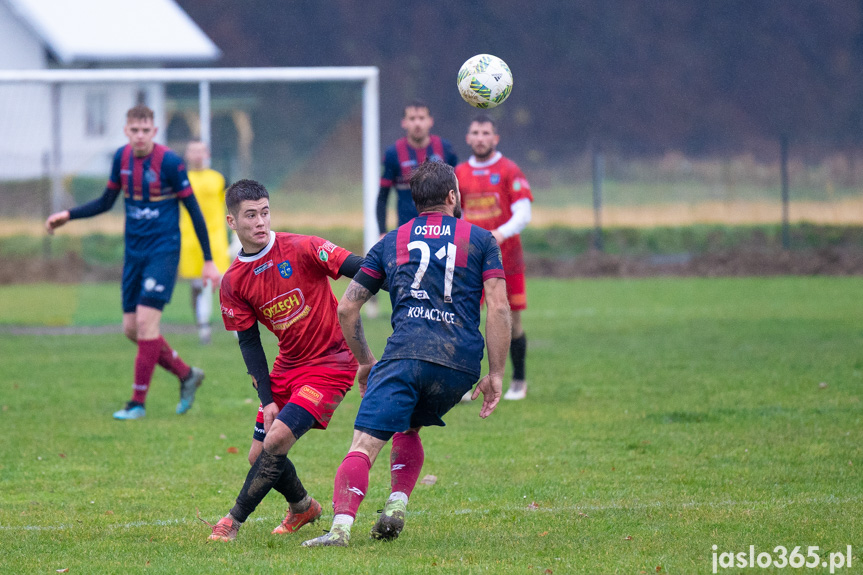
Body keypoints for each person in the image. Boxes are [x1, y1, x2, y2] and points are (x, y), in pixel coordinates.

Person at [302, 161, 511, 547]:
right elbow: (497, 307)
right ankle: (397, 504)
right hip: (459, 366)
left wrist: (366, 361)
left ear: (416, 203)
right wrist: (496, 373)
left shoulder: (390, 242)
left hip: (405, 356)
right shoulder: (482, 240)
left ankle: (340, 530)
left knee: (363, 446)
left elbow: (346, 308)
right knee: (408, 425)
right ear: (452, 197)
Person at [207, 179, 367, 542]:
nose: (260, 222)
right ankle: (303, 506)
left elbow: (359, 266)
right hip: (288, 366)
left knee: (276, 441)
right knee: (257, 456)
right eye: (250, 215)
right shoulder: (233, 281)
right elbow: (249, 343)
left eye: (265, 212)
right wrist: (267, 399)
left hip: (332, 362)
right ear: (232, 222)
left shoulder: (303, 247)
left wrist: (408, 282)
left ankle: (231, 521)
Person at [44, 105, 219, 420]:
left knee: (145, 323)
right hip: (134, 253)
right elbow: (105, 201)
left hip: (163, 252)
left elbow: (193, 210)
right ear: (127, 131)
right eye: (134, 130)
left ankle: (137, 403)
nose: (139, 135)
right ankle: (186, 373)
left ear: (154, 131)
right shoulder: (121, 159)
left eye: (145, 130)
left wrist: (208, 260)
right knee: (131, 329)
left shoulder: (170, 163)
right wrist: (68, 215)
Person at [455, 114, 534, 401]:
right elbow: (456, 214)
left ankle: (519, 380)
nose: (480, 137)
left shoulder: (509, 169)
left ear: (495, 138)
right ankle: (466, 381)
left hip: (506, 260)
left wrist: (499, 234)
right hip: (468, 260)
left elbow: (524, 212)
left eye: (485, 132)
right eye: (475, 132)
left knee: (511, 320)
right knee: (466, 320)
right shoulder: (459, 172)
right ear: (468, 138)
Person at [376, 100, 458, 236]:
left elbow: (458, 190)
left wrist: (459, 222)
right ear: (404, 123)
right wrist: (382, 232)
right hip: (407, 230)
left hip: (444, 230)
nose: (417, 123)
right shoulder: (393, 153)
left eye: (421, 118)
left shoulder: (445, 149)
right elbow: (382, 197)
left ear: (430, 121)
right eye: (412, 119)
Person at [178, 141, 231, 344]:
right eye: (193, 151)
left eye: (201, 151)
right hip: (190, 241)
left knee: (225, 282)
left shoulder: (219, 179)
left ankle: (236, 327)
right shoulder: (181, 179)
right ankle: (203, 329)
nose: (197, 155)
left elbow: (232, 206)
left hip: (215, 239)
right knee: (197, 285)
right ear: (187, 154)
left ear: (207, 153)